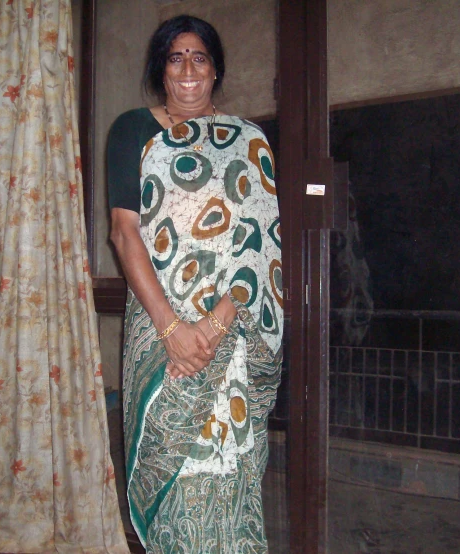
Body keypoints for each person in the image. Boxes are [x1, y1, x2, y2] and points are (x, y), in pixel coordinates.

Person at [107, 14, 284, 553]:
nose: (188, 68)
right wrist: (172, 331)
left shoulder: (248, 143)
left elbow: (261, 248)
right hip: (159, 331)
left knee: (231, 470)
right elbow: (124, 233)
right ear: (161, 70)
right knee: (175, 480)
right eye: (175, 57)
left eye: (199, 57)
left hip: (227, 333)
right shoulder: (132, 130)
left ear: (215, 71)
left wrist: (210, 327)